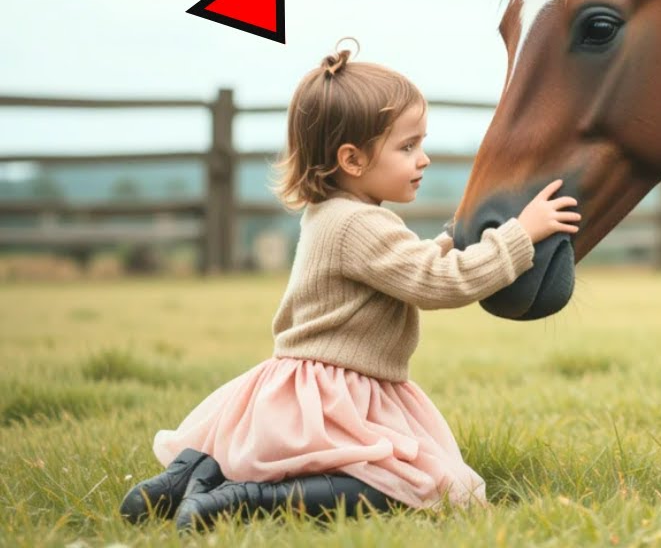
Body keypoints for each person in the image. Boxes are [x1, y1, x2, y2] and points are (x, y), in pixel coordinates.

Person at [119, 40, 579, 530]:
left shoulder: (334, 215)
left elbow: (405, 263)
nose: (422, 159)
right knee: (399, 485)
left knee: (389, 475)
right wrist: (520, 235)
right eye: (407, 147)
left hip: (311, 384)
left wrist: (451, 238)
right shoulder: (360, 225)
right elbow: (438, 283)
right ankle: (242, 499)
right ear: (353, 160)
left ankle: (191, 475)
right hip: (337, 393)